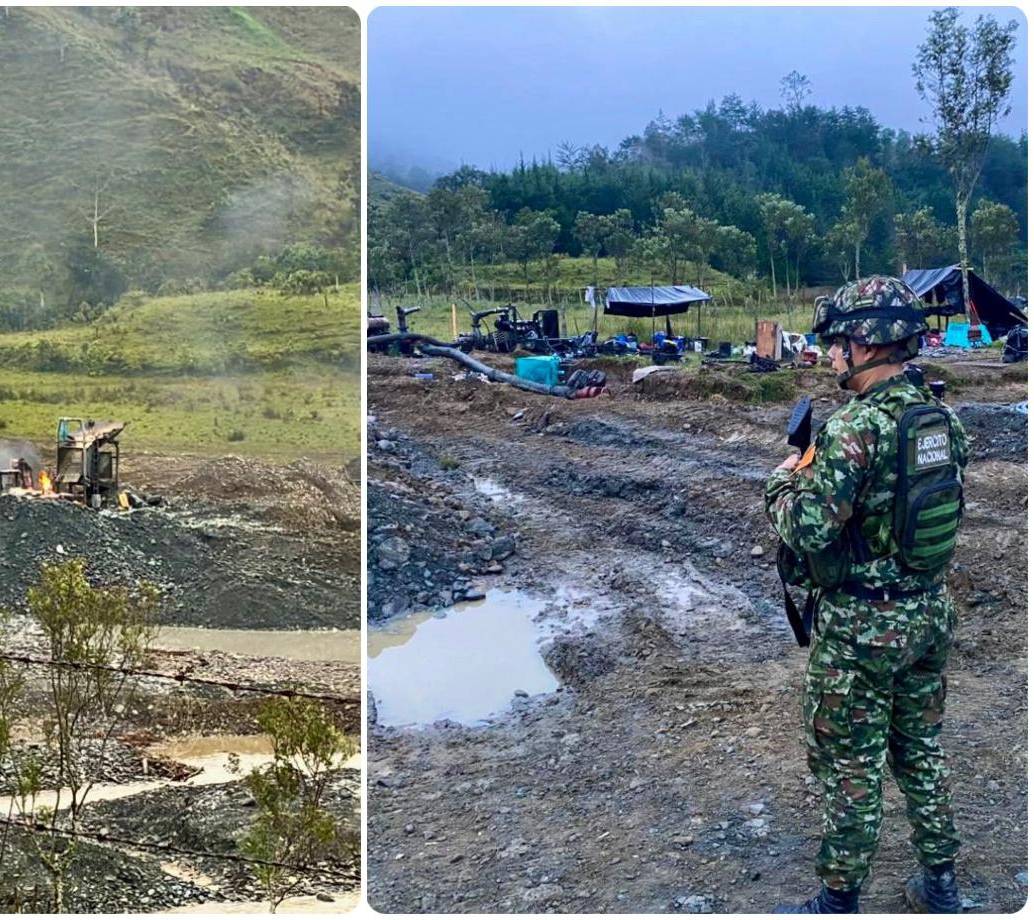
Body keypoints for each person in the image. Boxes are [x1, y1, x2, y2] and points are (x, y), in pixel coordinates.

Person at [764, 276, 969, 914]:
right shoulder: (941, 418)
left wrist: (781, 482)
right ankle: (941, 884)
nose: (831, 356)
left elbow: (808, 528)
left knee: (850, 763)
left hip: (861, 628)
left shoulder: (853, 428)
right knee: (920, 749)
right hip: (928, 612)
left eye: (837, 344)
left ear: (866, 344)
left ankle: (838, 899)